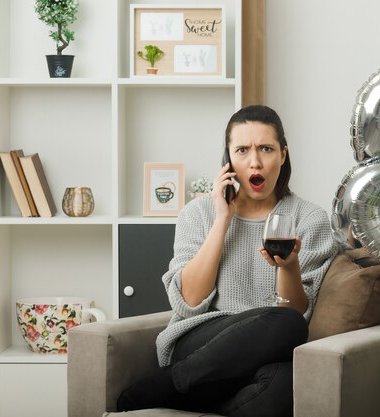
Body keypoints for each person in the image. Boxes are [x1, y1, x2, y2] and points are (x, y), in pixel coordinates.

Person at [117, 105, 338, 417]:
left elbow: (297, 316)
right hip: (199, 342)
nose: (255, 161)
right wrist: (222, 219)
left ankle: (187, 394)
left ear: (283, 155)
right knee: (283, 325)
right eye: (243, 150)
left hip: (263, 353)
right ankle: (176, 380)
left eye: (266, 149)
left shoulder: (309, 218)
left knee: (285, 376)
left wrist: (288, 266)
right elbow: (189, 301)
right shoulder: (199, 214)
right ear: (229, 159)